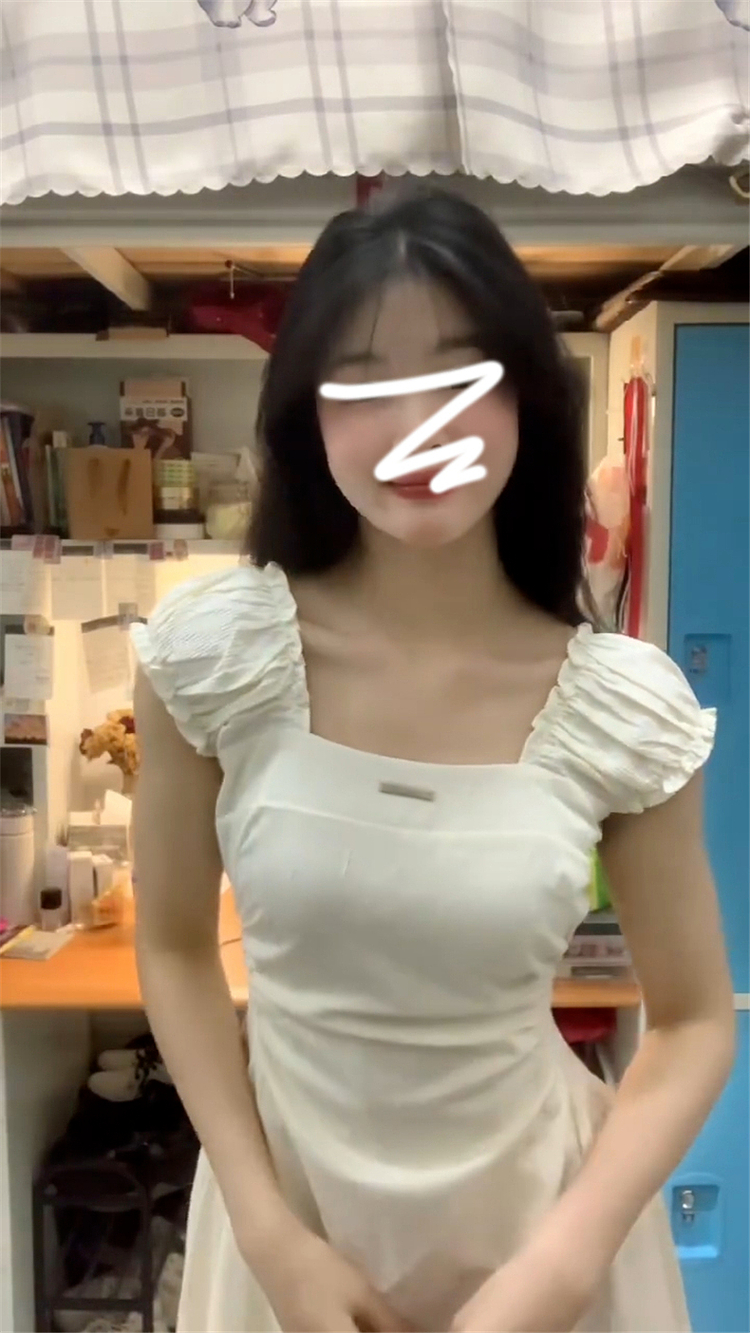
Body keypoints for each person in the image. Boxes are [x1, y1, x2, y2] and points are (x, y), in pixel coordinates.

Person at [131, 188, 734, 1333]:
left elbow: (696, 1019)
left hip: (541, 1239)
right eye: (364, 384)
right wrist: (269, 1233)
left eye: (460, 378)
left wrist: (562, 1268)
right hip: (287, 1239)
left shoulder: (622, 707)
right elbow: (171, 945)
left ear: (525, 399)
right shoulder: (215, 662)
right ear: (308, 414)